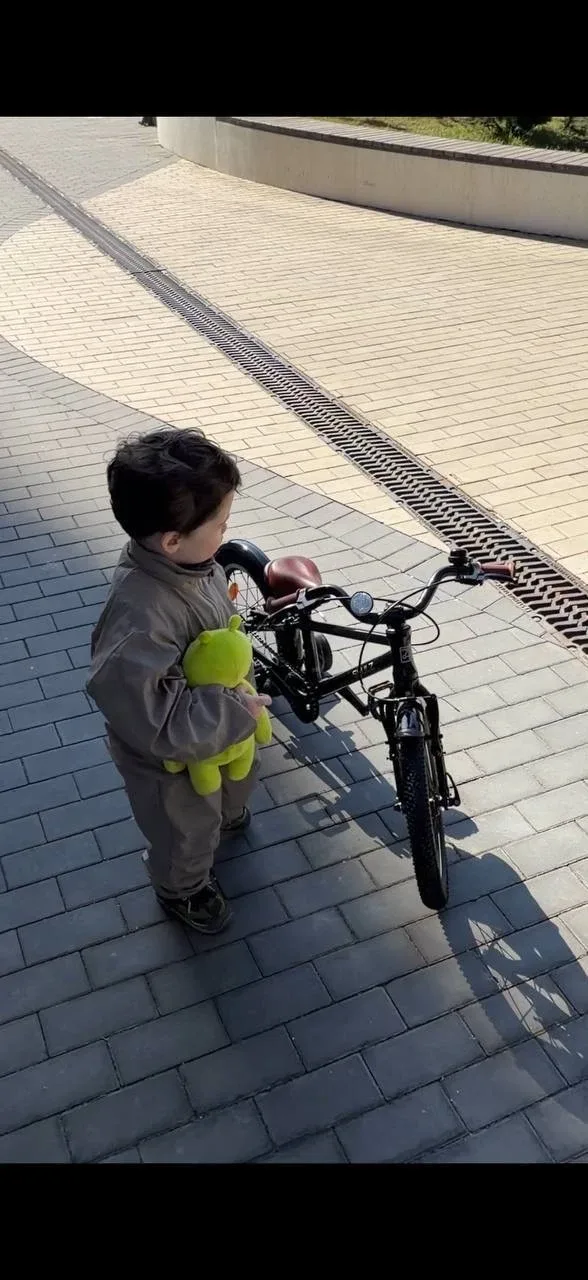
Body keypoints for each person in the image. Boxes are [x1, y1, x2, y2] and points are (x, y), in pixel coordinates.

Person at [87, 428, 271, 934]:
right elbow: (153, 715)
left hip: (220, 729)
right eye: (221, 524)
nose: (226, 533)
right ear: (172, 540)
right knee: (183, 828)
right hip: (169, 761)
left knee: (231, 788)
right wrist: (233, 711)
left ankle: (226, 815)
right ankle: (182, 887)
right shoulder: (140, 616)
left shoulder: (193, 564)